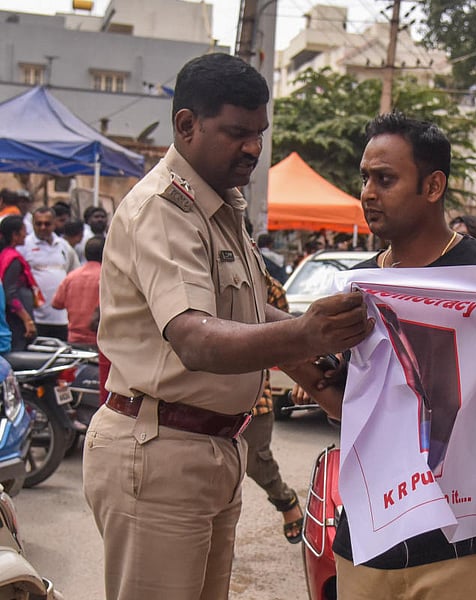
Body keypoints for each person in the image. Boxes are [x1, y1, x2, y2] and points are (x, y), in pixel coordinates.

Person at [82, 53, 372, 600]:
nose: (253, 148)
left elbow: (249, 315)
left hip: (212, 448)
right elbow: (194, 337)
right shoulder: (162, 209)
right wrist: (307, 334)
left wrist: (321, 371)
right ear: (186, 125)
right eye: (237, 133)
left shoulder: (223, 206)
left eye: (259, 133)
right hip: (160, 447)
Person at [293, 113, 476, 599]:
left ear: (433, 185)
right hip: (366, 542)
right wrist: (293, 350)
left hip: (465, 550)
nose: (368, 193)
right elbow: (348, 408)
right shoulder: (359, 286)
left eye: (385, 179)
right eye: (364, 179)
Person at [244, 271, 304, 543]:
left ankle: (286, 501)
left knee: (257, 461)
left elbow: (283, 339)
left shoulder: (269, 286)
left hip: (254, 391)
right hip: (203, 392)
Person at [18, 206, 79, 340]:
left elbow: (73, 274)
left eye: (47, 223)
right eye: (39, 223)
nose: (43, 227)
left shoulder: (63, 246)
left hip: (61, 318)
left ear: (54, 223)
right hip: (36, 317)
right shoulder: (24, 246)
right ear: (33, 223)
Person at [52, 236, 103, 348]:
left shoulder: (72, 276)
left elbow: (56, 303)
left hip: (73, 340)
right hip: (98, 341)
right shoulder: (106, 278)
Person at [0, 216, 39, 350]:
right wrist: (27, 320)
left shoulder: (6, 255)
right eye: (23, 231)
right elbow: (10, 294)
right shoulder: (12, 259)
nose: (26, 234)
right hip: (15, 322)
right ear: (14, 235)